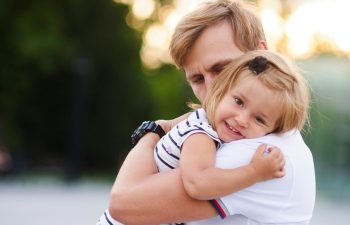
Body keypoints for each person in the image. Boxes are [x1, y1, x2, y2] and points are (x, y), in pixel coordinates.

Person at [97, 0, 315, 225]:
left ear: (259, 54)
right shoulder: (229, 132)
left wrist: (151, 132)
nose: (212, 91)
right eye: (198, 79)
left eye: (221, 68)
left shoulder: (258, 156)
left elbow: (123, 204)